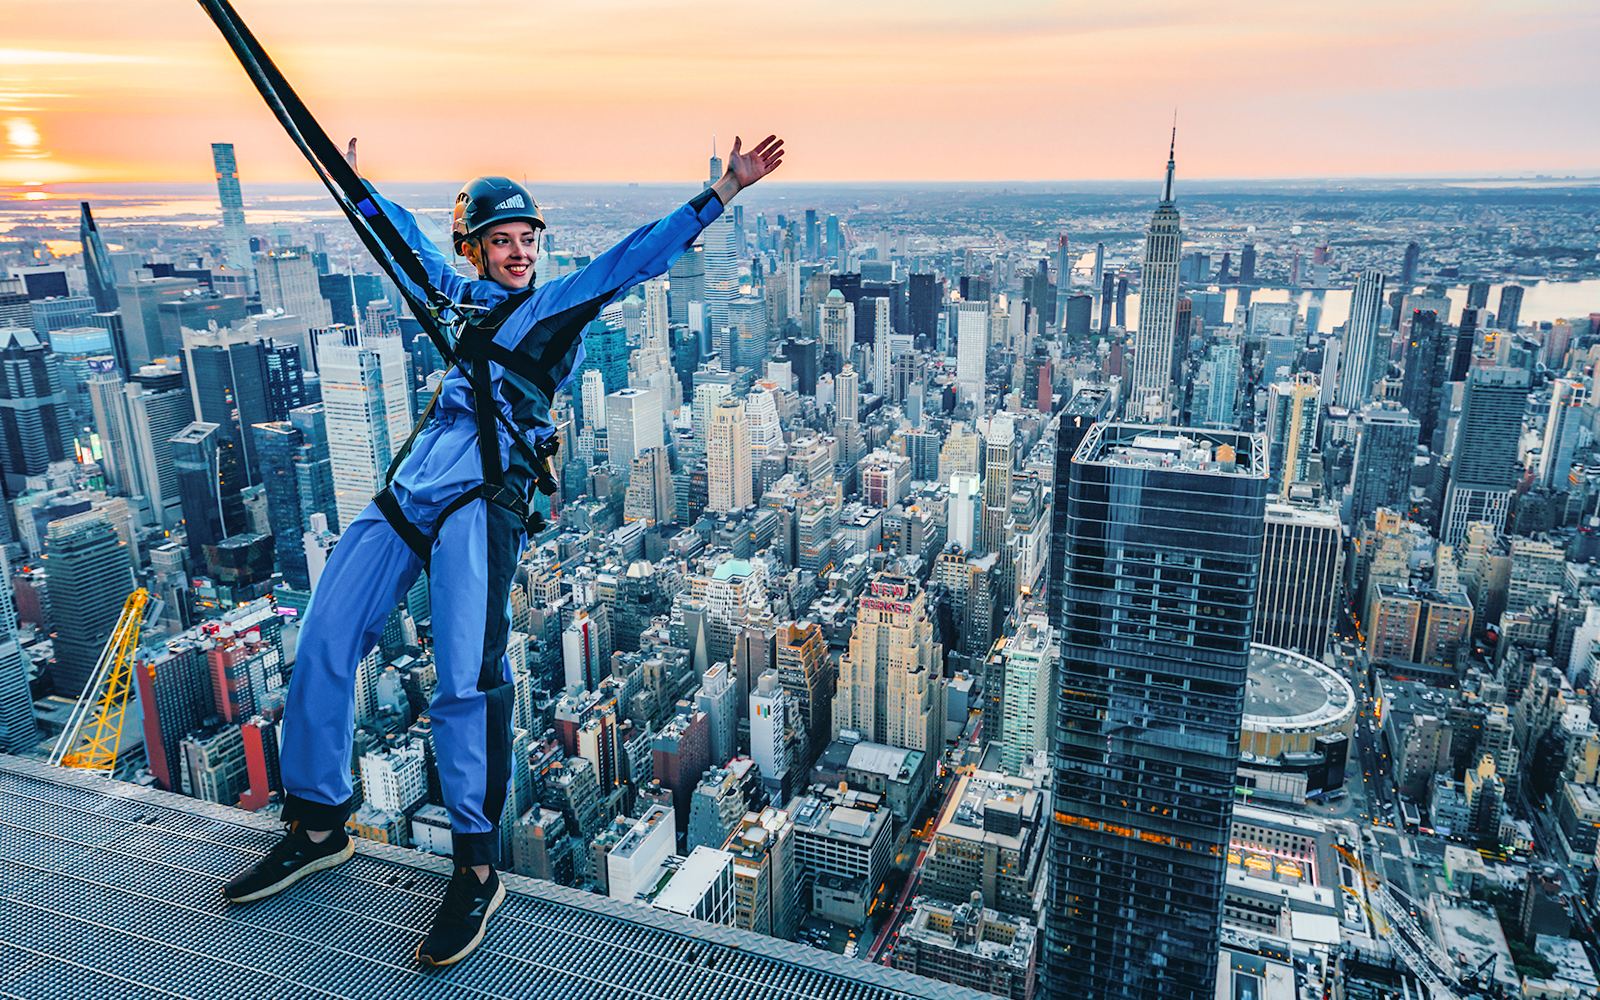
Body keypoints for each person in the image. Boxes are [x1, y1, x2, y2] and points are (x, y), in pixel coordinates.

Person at [222, 134, 784, 966]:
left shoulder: (549, 309)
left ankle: (477, 869)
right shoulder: (447, 296)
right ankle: (317, 821)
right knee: (325, 639)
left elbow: (631, 261)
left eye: (528, 240)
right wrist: (357, 183)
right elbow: (399, 239)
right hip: (416, 482)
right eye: (502, 240)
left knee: (464, 677)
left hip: (484, 495)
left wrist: (721, 193)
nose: (519, 252)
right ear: (475, 247)